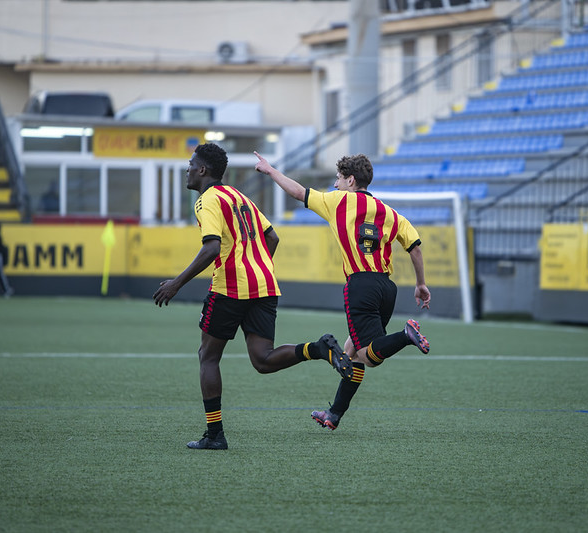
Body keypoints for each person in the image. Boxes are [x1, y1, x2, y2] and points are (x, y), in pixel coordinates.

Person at [153, 143, 353, 451]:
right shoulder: (239, 197)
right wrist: (258, 266)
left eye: (191, 164)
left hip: (231, 287)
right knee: (263, 360)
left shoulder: (208, 200)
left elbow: (210, 248)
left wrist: (176, 283)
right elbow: (272, 236)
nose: (188, 169)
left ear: (203, 170)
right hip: (264, 285)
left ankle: (215, 435)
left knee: (208, 356)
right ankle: (318, 348)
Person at [254, 151, 431, 431]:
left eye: (338, 179)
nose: (334, 185)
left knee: (370, 357)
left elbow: (298, 192)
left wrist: (271, 170)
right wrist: (421, 284)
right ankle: (333, 414)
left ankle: (406, 335)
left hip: (361, 285)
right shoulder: (390, 213)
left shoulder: (338, 202)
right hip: (387, 288)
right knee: (351, 353)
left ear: (350, 180)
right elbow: (416, 248)